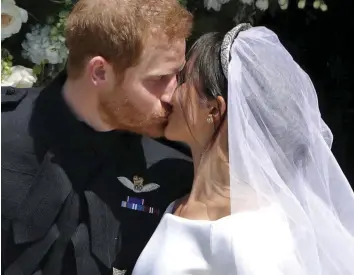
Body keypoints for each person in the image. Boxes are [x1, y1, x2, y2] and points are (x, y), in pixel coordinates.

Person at [132, 24, 354, 275]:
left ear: (214, 110)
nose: (170, 91)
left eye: (183, 80)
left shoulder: (248, 241)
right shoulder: (177, 200)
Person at [1, 0, 194, 274]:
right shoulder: (4, 133)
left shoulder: (172, 170)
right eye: (159, 78)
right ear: (100, 72)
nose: (173, 94)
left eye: (178, 74)